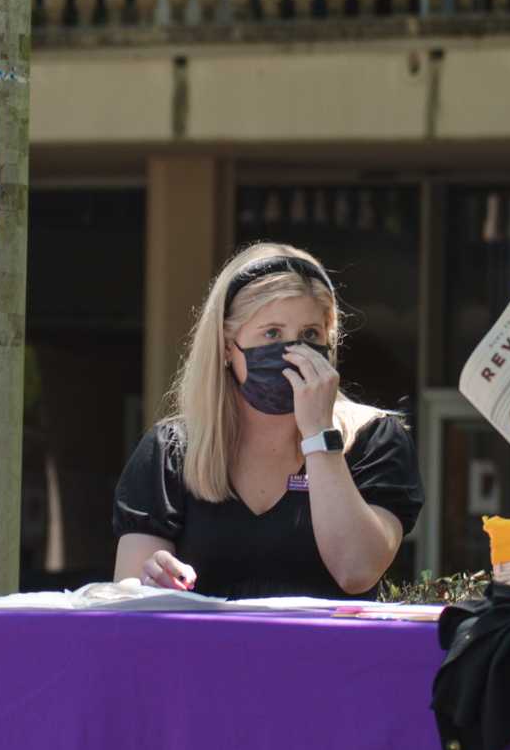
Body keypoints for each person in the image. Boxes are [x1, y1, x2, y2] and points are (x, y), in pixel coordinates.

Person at [113, 244, 422, 599]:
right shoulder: (172, 450)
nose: (293, 353)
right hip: (205, 651)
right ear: (228, 346)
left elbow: (356, 571)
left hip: (327, 653)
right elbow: (129, 597)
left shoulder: (373, 439)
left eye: (309, 336)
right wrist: (153, 581)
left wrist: (320, 434)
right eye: (272, 334)